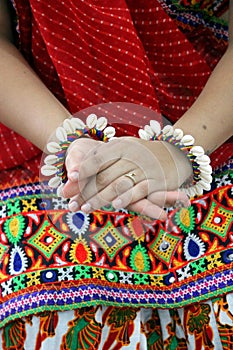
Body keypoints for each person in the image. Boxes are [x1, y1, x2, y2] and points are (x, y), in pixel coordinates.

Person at [0, 0, 232, 348]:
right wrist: (71, 145)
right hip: (47, 147)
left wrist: (179, 151)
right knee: (45, 320)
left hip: (214, 128)